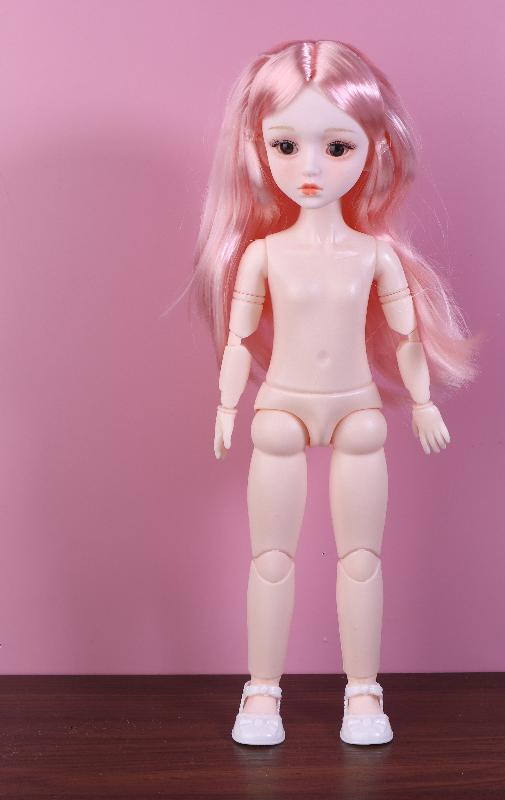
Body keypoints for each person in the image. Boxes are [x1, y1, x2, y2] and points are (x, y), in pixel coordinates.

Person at [188, 39, 480, 746]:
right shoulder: (262, 254)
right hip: (282, 408)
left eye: (337, 147)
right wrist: (226, 406)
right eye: (286, 146)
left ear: (375, 150)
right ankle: (262, 692)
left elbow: (407, 336)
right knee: (271, 559)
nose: (311, 169)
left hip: (355, 410)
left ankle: (363, 692)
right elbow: (238, 339)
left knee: (362, 559)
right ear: (258, 150)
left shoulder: (375, 255)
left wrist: (422, 401)